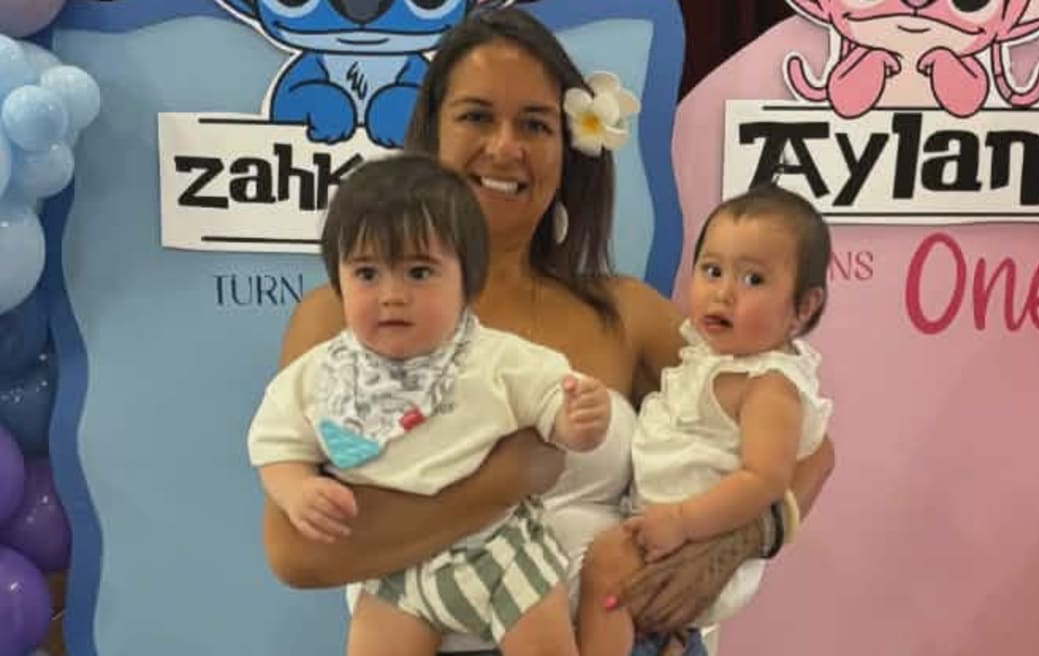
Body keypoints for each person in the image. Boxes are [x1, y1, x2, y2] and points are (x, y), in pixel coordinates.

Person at [258, 7, 836, 656]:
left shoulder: (625, 312)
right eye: (477, 116)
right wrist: (505, 481)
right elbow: (294, 553)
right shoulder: (339, 319)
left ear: (569, 148)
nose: (506, 147)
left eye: (534, 124)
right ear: (431, 133)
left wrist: (739, 540)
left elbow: (808, 443)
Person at [247, 153, 611, 655]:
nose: (392, 295)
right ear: (338, 279)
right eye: (368, 273)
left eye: (419, 273)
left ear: (468, 280)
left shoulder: (496, 358)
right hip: (393, 568)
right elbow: (275, 442)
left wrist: (581, 422)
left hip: (501, 550)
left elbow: (555, 405)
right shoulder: (320, 375)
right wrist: (296, 489)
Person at [576, 184, 833, 656]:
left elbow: (767, 479)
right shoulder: (707, 361)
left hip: (692, 543)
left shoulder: (769, 384)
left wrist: (684, 521)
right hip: (661, 533)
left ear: (804, 307)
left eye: (753, 280)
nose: (724, 293)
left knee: (606, 564)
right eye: (711, 271)